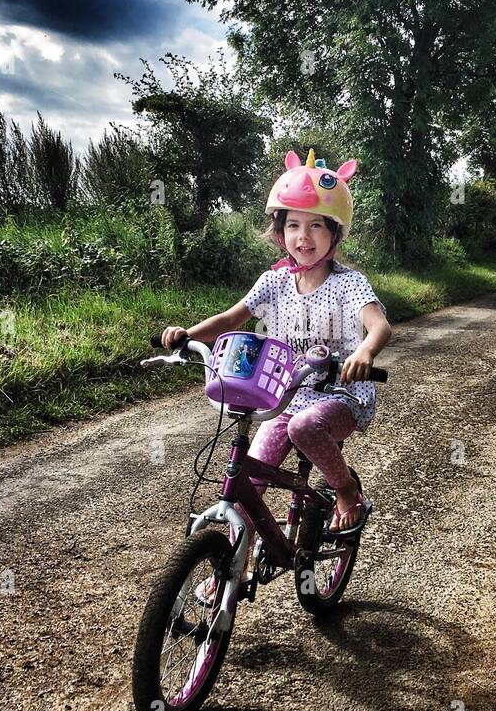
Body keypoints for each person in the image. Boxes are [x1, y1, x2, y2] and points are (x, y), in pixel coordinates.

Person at [160, 149, 393, 567]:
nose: (304, 237)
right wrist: (187, 335)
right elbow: (233, 317)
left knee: (307, 427)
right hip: (284, 395)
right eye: (294, 226)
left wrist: (364, 350)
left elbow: (379, 326)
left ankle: (344, 490)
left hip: (339, 395)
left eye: (316, 226)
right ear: (281, 231)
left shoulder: (349, 284)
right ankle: (230, 569)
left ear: (335, 233)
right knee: (249, 476)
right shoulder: (274, 281)